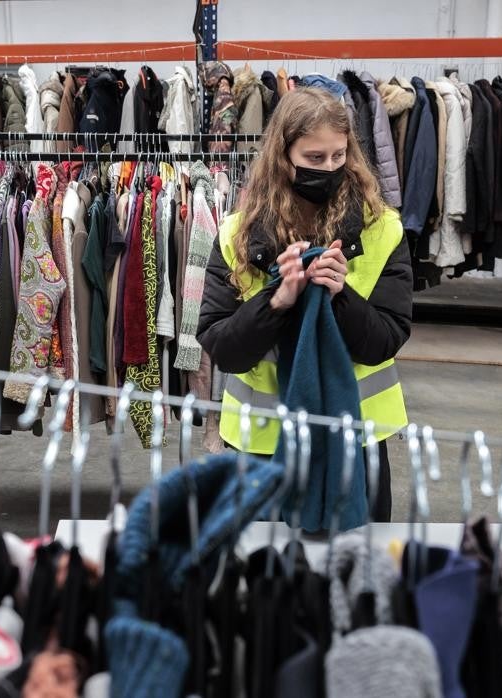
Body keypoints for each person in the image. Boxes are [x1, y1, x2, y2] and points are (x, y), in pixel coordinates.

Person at [197, 87, 412, 520]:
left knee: (354, 570)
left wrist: (341, 297)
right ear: (283, 155)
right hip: (260, 447)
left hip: (355, 441)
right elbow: (223, 347)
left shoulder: (382, 230)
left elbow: (385, 340)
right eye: (315, 158)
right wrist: (275, 302)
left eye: (338, 156)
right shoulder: (237, 235)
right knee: (265, 572)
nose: (329, 168)